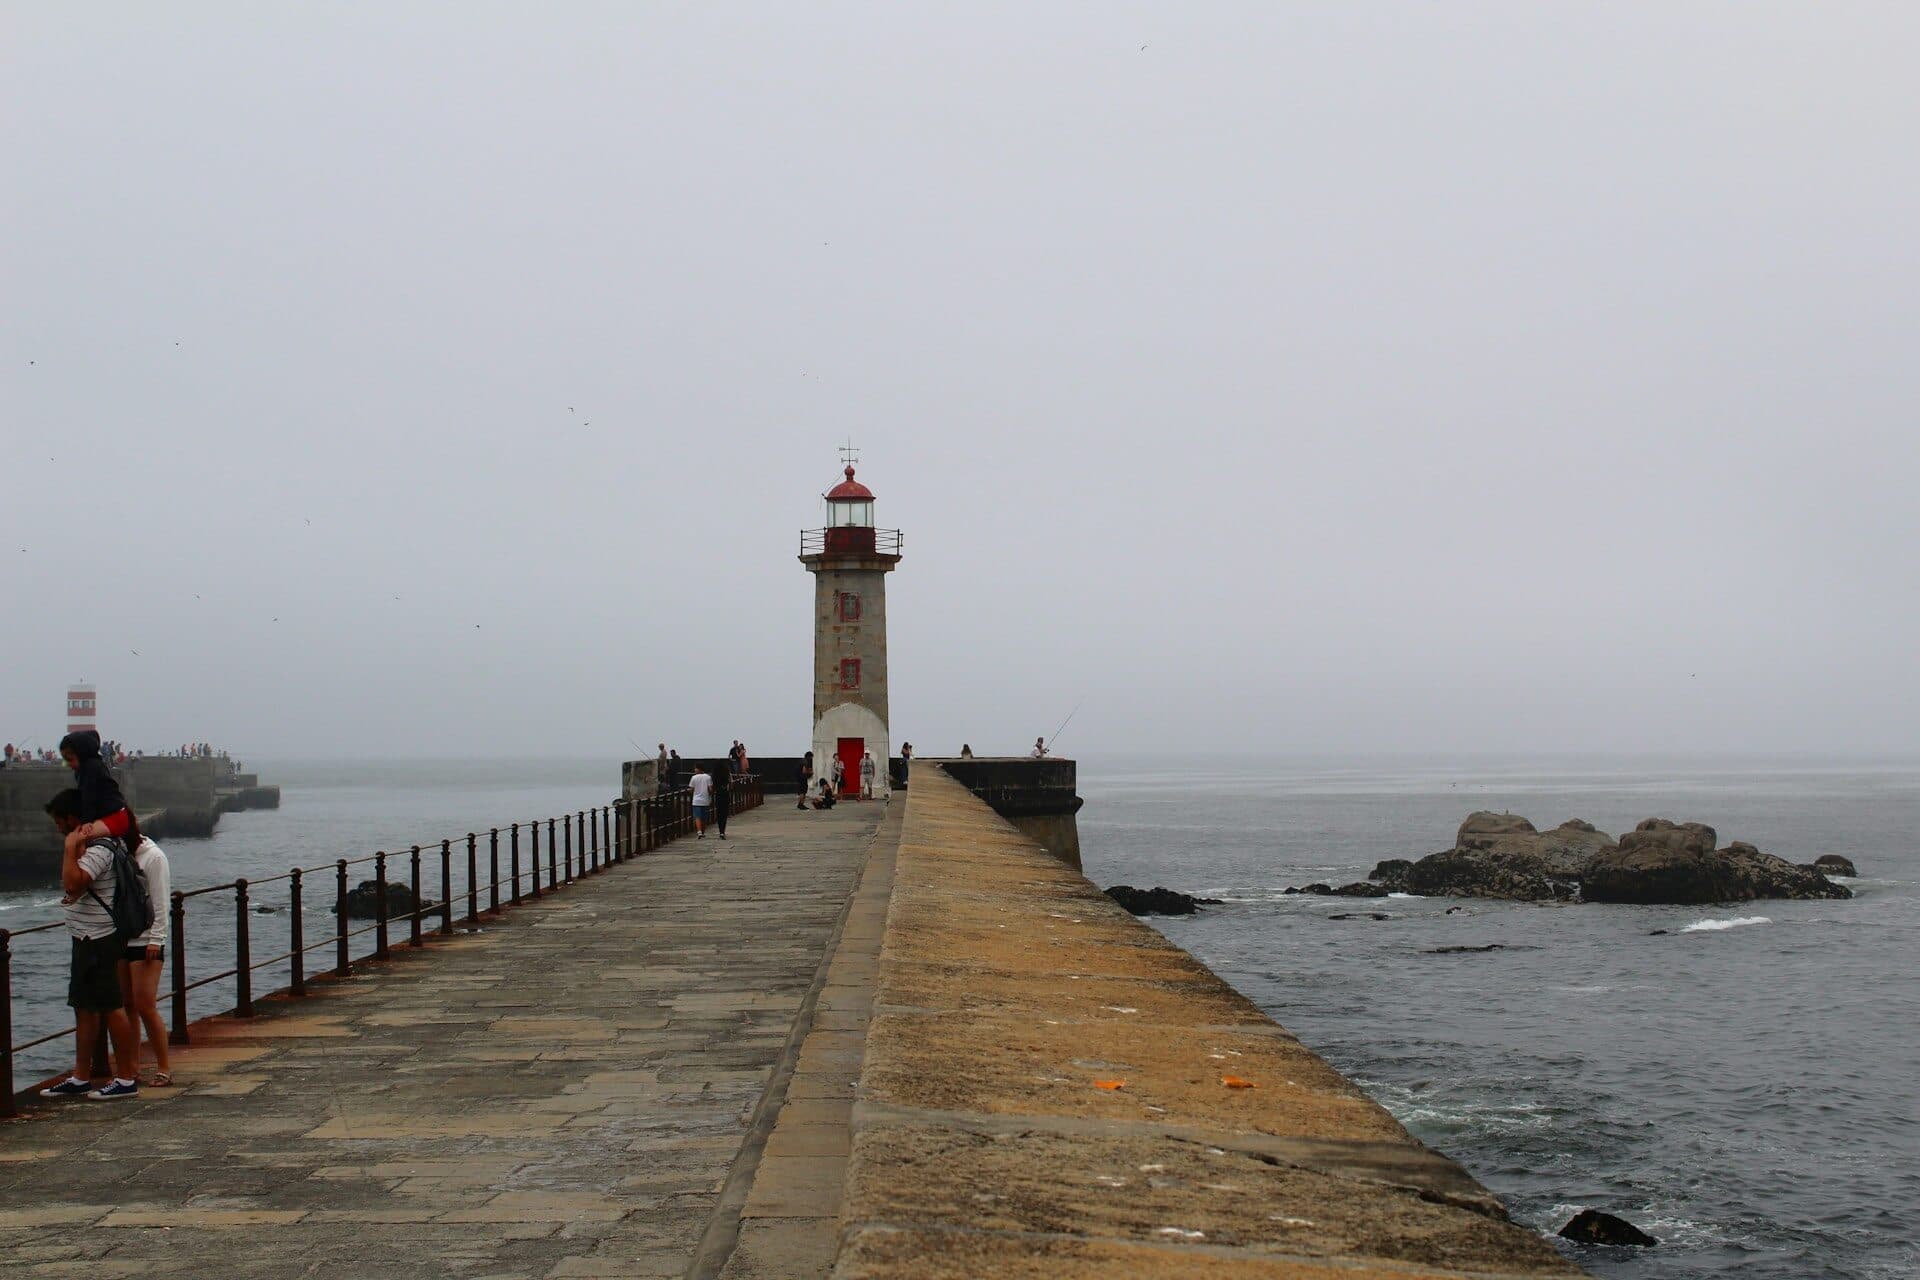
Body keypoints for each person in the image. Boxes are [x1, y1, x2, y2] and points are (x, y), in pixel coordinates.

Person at [39, 789, 140, 1100]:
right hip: (84, 936)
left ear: (72, 819)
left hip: (100, 938)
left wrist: (71, 848)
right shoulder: (91, 845)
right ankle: (81, 1076)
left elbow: (73, 882)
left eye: (59, 822)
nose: (57, 829)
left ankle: (126, 1079)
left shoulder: (101, 849)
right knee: (83, 1007)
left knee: (112, 1007)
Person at [119, 831, 172, 1086]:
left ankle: (163, 1067)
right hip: (122, 937)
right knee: (127, 1005)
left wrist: (157, 937)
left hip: (146, 940)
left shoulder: (153, 857)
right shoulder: (119, 856)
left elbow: (161, 899)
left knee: (145, 1005)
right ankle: (132, 1067)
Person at [58, 730, 136, 862]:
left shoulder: (91, 768)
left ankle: (83, 872)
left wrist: (87, 821)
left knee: (76, 840)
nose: (68, 764)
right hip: (108, 816)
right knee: (77, 837)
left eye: (70, 760)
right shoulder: (86, 768)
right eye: (65, 761)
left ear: (82, 754)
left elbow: (90, 795)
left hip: (115, 818)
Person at [689, 762, 713, 838]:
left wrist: (690, 792)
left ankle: (699, 832)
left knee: (697, 817)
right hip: (705, 800)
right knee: (704, 817)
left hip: (696, 800)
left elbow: (691, 789)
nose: (694, 770)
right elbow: (710, 789)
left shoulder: (694, 777)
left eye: (695, 768)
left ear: (699, 769)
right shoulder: (708, 777)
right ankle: (703, 832)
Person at [711, 755, 732, 840]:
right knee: (724, 813)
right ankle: (723, 831)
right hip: (725, 794)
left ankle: (720, 831)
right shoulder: (727, 773)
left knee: (719, 813)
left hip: (718, 794)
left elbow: (712, 786)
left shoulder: (714, 775)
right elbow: (731, 784)